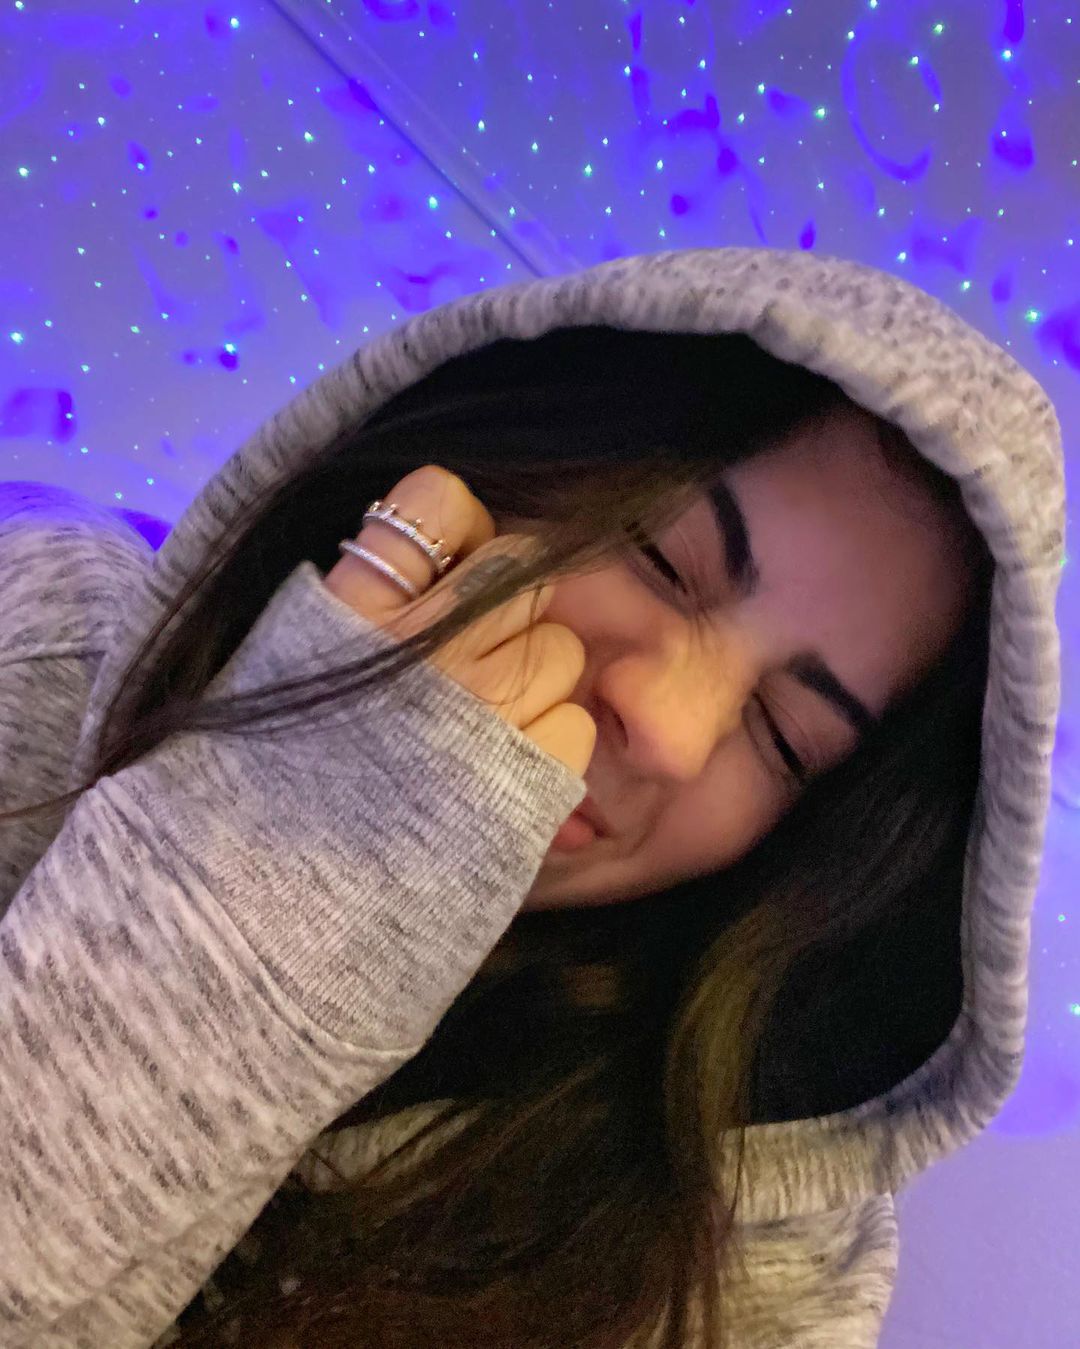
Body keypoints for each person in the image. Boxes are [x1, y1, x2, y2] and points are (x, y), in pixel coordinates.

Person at [0, 247, 1064, 1349]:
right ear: (508, 457)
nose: (668, 726)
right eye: (663, 560)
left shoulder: (752, 1281)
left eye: (787, 738)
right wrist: (265, 879)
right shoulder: (41, 643)